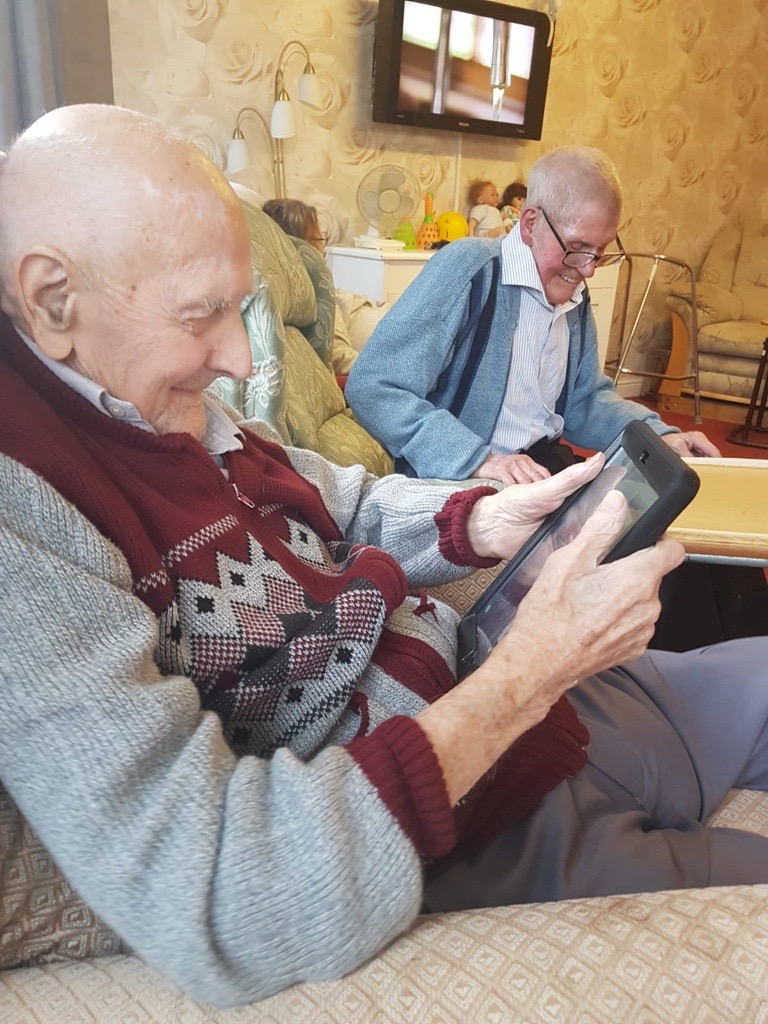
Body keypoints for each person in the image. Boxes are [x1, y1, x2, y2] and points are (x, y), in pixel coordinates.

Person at [1, 106, 767, 1010]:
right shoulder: (27, 515)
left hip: (512, 690)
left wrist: (484, 521)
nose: (241, 356)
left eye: (241, 309)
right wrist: (527, 675)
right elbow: (222, 893)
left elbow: (349, 498)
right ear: (53, 299)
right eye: (203, 313)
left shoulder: (155, 396)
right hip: (467, 821)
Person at [347, 147, 719, 487]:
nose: (589, 269)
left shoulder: (574, 284)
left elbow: (584, 400)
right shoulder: (469, 268)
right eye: (577, 247)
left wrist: (661, 435)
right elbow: (374, 386)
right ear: (529, 224)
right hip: (461, 478)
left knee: (672, 511)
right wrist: (477, 458)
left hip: (540, 468)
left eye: (600, 251)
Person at [262, 196, 388, 376]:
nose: (324, 247)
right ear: (303, 245)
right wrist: (390, 372)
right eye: (320, 238)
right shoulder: (316, 295)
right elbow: (339, 358)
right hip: (395, 342)